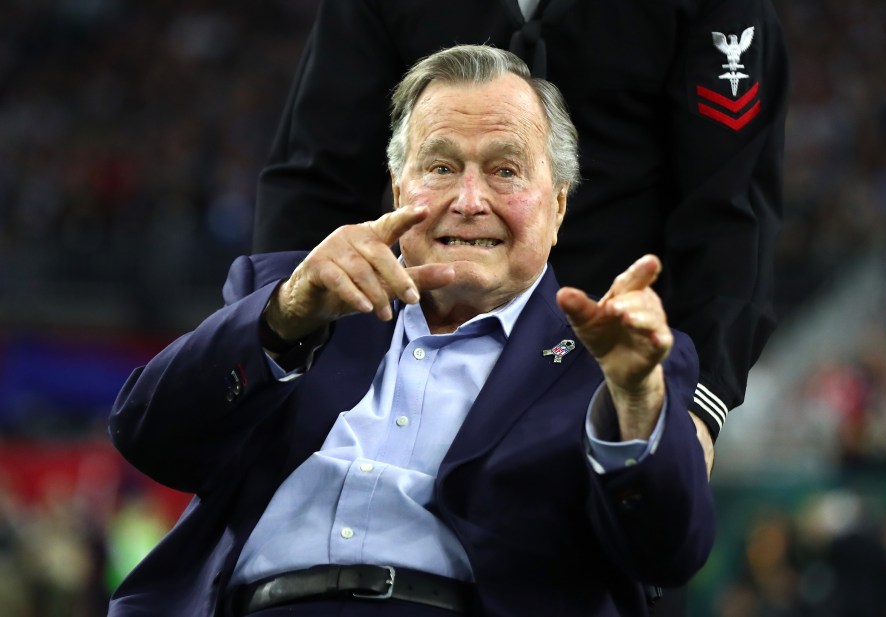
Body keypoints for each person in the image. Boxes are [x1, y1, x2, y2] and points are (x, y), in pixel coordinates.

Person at [108, 45, 714, 617]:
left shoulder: (614, 358)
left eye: (504, 170)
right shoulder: (293, 299)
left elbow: (666, 552)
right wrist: (286, 314)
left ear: (558, 205)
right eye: (442, 167)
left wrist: (635, 399)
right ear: (400, 190)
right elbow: (149, 438)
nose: (469, 200)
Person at [251, 0, 790, 474]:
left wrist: (694, 403)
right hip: (401, 366)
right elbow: (314, 182)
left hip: (602, 385)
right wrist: (279, 339)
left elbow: (730, 206)